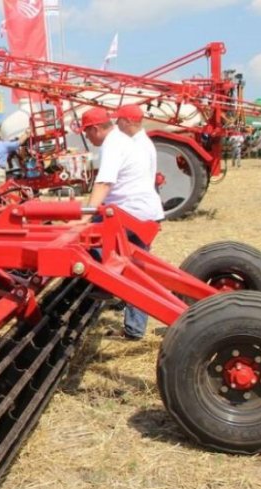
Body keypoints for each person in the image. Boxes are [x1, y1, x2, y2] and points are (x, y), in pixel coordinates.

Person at [81, 107, 164, 340]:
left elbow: (104, 183)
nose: (87, 137)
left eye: (87, 132)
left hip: (129, 213)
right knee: (136, 271)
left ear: (95, 129)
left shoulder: (113, 144)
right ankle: (134, 327)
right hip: (143, 212)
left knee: (84, 243)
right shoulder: (126, 141)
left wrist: (84, 217)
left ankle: (106, 284)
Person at [114, 104, 157, 189]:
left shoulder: (140, 146)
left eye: (118, 119)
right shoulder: (140, 143)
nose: (116, 123)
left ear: (128, 121)